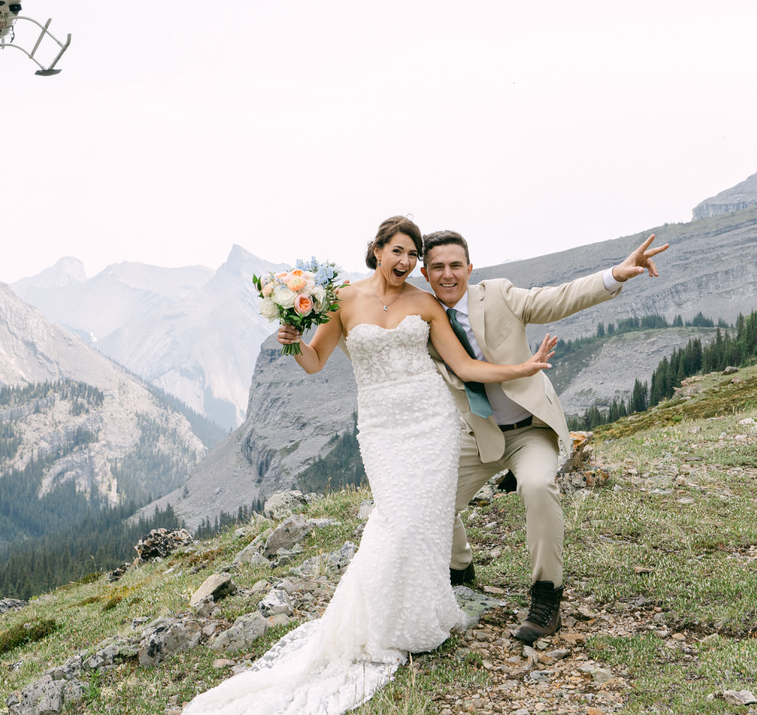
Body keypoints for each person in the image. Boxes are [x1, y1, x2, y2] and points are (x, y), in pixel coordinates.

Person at [184, 215, 558, 715]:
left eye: (412, 254)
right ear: (377, 250)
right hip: (382, 429)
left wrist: (522, 368)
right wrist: (292, 339)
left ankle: (422, 610)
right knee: (397, 520)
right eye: (397, 251)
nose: (406, 263)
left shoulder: (425, 304)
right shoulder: (341, 301)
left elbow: (465, 367)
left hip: (431, 424)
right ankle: (383, 617)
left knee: (419, 521)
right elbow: (316, 362)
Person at [420, 229, 668, 643]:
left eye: (455, 265)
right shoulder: (422, 318)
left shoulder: (497, 294)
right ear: (426, 273)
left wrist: (616, 274)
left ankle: (546, 596)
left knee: (537, 486)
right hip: (477, 435)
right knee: (429, 499)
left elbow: (555, 299)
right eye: (438, 267)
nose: (448, 275)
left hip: (528, 430)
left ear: (470, 267)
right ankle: (460, 572)